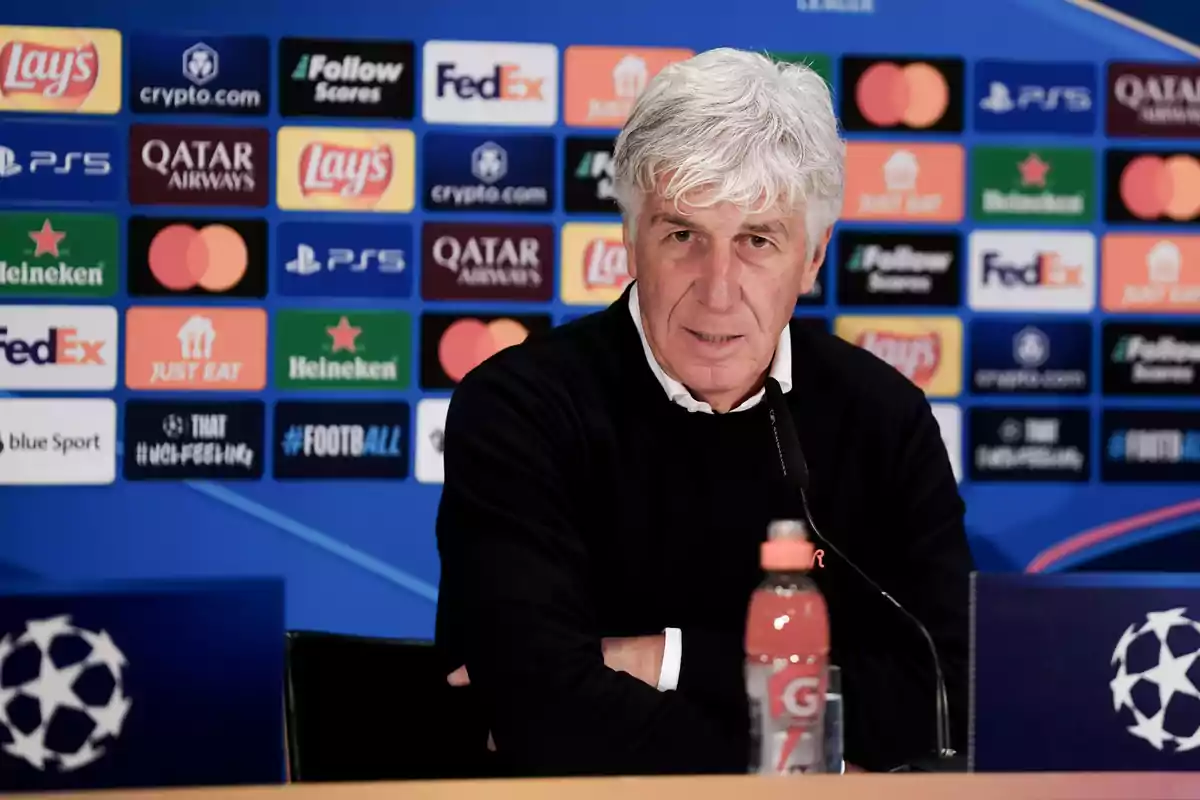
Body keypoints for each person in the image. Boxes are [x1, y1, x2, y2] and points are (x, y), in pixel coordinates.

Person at [434, 47, 973, 777]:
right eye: (682, 236)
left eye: (757, 241)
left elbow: (945, 697)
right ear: (630, 239)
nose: (718, 292)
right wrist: (817, 750)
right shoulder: (519, 409)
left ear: (813, 258)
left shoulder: (883, 418)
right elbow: (540, 713)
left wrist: (664, 658)